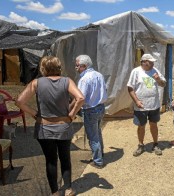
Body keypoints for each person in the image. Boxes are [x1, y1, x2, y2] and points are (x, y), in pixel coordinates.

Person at [16, 56, 84, 196]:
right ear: (59, 67)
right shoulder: (67, 81)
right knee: (65, 157)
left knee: (51, 160)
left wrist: (34, 113)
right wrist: (71, 114)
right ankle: (69, 188)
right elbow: (81, 98)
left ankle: (55, 192)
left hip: (44, 127)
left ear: (43, 68)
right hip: (63, 126)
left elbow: (19, 101)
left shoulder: (36, 83)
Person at [127, 53, 166, 157]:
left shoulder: (156, 71)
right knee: (141, 126)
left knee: (154, 124)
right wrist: (137, 101)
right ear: (144, 62)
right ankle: (141, 145)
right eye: (150, 62)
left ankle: (155, 144)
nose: (153, 63)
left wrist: (158, 79)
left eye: (153, 62)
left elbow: (163, 84)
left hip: (154, 104)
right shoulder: (136, 72)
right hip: (141, 106)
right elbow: (130, 88)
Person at [75, 54, 107, 168]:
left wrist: (73, 111)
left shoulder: (84, 79)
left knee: (93, 136)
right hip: (100, 107)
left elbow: (80, 98)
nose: (76, 68)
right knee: (97, 132)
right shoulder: (99, 75)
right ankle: (100, 154)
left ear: (84, 66)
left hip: (90, 110)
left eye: (77, 66)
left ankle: (98, 161)